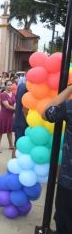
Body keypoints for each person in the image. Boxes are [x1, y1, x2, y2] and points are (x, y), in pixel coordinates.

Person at [43, 85, 72, 234]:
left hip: (68, 181)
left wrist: (69, 89)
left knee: (65, 222)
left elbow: (46, 112)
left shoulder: (69, 106)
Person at [0, 80, 16, 153]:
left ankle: (11, 145)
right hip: (4, 114)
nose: (10, 86)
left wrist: (15, 112)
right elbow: (7, 106)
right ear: (5, 86)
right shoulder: (3, 94)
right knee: (0, 131)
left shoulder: (13, 94)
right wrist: (17, 110)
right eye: (8, 85)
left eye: (11, 85)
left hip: (11, 115)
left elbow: (15, 103)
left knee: (9, 130)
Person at [12, 77, 28, 158]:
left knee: (17, 143)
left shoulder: (21, 86)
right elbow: (24, 108)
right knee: (19, 144)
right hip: (23, 121)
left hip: (19, 119)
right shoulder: (26, 87)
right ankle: (14, 164)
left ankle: (13, 164)